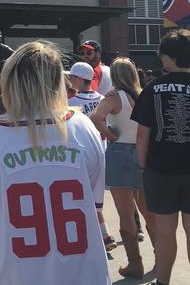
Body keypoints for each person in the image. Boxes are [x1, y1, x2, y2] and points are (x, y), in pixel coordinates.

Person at [0, 41, 110, 285]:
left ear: (9, 82)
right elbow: (95, 202)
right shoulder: (82, 127)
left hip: (10, 275)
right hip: (83, 275)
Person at [131, 29, 190, 285]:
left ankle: (163, 281)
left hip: (160, 169)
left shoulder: (152, 88)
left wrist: (143, 166)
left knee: (165, 232)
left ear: (167, 57)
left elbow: (142, 134)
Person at [90, 57, 157, 279]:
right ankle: (161, 255)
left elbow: (95, 117)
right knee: (148, 211)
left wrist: (109, 134)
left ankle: (134, 264)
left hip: (119, 153)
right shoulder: (144, 95)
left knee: (125, 213)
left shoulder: (114, 97)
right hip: (142, 152)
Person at [66, 61, 114, 251]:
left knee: (84, 199)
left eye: (72, 76)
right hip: (103, 150)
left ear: (78, 79)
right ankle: (105, 235)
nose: (70, 79)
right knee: (95, 199)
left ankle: (96, 236)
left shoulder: (71, 103)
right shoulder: (104, 98)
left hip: (82, 154)